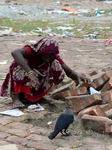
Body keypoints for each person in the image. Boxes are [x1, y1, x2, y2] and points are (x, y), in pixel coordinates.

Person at [0, 37, 90, 108]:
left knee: (55, 64)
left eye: (50, 57)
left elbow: (68, 71)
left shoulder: (53, 57)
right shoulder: (32, 50)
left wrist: (78, 76)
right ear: (41, 52)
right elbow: (15, 52)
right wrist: (30, 73)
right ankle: (17, 98)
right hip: (25, 74)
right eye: (46, 57)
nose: (47, 60)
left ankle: (38, 97)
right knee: (19, 64)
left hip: (38, 76)